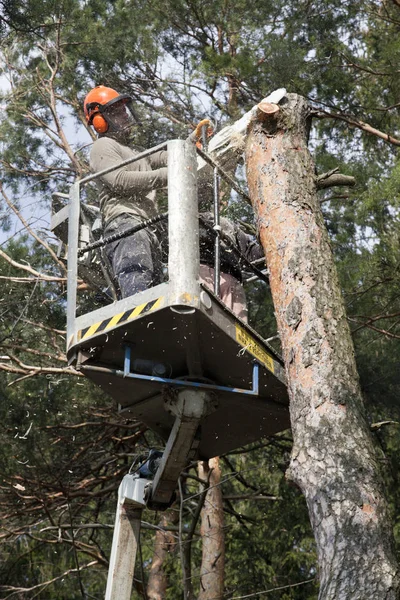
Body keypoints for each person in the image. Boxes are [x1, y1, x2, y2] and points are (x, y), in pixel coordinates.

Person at [84, 85, 168, 298]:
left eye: (124, 110)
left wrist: (191, 147)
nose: (124, 115)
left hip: (150, 228)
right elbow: (120, 181)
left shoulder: (137, 153)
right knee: (137, 278)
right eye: (116, 111)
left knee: (158, 291)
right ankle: (137, 310)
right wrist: (166, 175)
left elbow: (169, 155)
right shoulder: (103, 146)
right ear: (99, 120)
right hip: (126, 223)